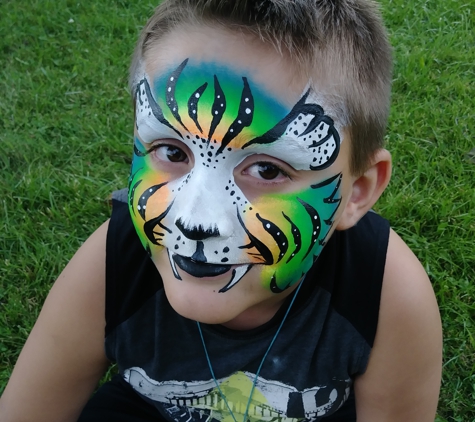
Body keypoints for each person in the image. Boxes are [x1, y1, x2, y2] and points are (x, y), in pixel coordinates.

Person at [0, 1, 442, 421]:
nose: (194, 219)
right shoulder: (109, 268)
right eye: (171, 151)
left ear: (358, 191)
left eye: (267, 169)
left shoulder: (385, 293)